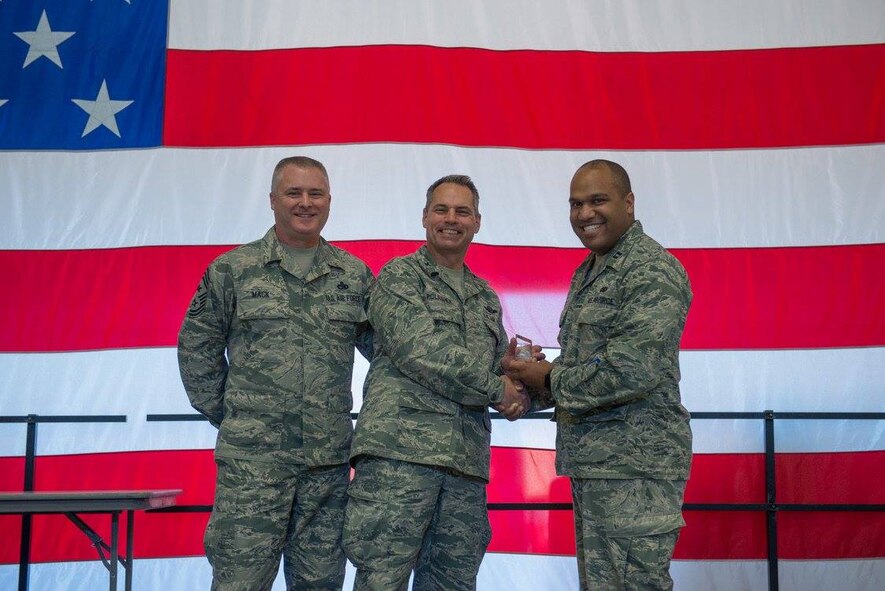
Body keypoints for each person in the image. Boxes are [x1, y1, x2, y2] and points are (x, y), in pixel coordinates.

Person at [178, 156, 373, 590]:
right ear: (272, 200)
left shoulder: (353, 276)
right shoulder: (233, 270)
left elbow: (389, 350)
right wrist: (234, 416)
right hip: (253, 467)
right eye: (294, 193)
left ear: (329, 200)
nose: (305, 203)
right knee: (240, 583)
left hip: (326, 469)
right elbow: (197, 348)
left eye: (315, 193)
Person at [503, 160, 692, 590]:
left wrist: (547, 378)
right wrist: (528, 377)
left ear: (628, 203)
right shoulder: (592, 270)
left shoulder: (650, 270)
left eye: (597, 200)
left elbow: (631, 371)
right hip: (598, 464)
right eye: (576, 204)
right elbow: (585, 366)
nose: (585, 213)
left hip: (635, 468)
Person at [342, 174, 529, 590]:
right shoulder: (400, 278)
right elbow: (422, 351)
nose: (451, 219)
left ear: (477, 221)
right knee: (381, 582)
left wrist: (523, 378)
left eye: (462, 211)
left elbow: (495, 372)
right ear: (425, 217)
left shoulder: (485, 298)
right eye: (441, 209)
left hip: (464, 469)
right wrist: (501, 390)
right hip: (398, 463)